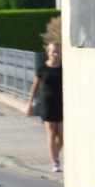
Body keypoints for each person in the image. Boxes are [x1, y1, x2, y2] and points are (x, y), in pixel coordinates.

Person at [29, 40, 63, 174]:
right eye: (53, 51)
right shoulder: (42, 69)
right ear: (48, 52)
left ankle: (54, 154)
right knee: (51, 132)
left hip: (60, 103)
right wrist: (30, 104)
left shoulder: (63, 68)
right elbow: (34, 87)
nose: (55, 53)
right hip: (46, 103)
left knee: (61, 137)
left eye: (57, 51)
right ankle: (55, 161)